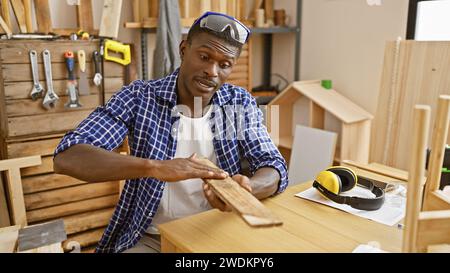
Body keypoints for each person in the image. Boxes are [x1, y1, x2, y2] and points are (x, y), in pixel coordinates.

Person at [53, 11, 288, 253]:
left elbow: (273, 166)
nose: (212, 71)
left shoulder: (239, 103)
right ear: (184, 49)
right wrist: (155, 167)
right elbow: (67, 156)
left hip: (220, 230)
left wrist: (247, 188)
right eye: (205, 57)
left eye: (224, 64)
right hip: (153, 237)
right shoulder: (139, 98)